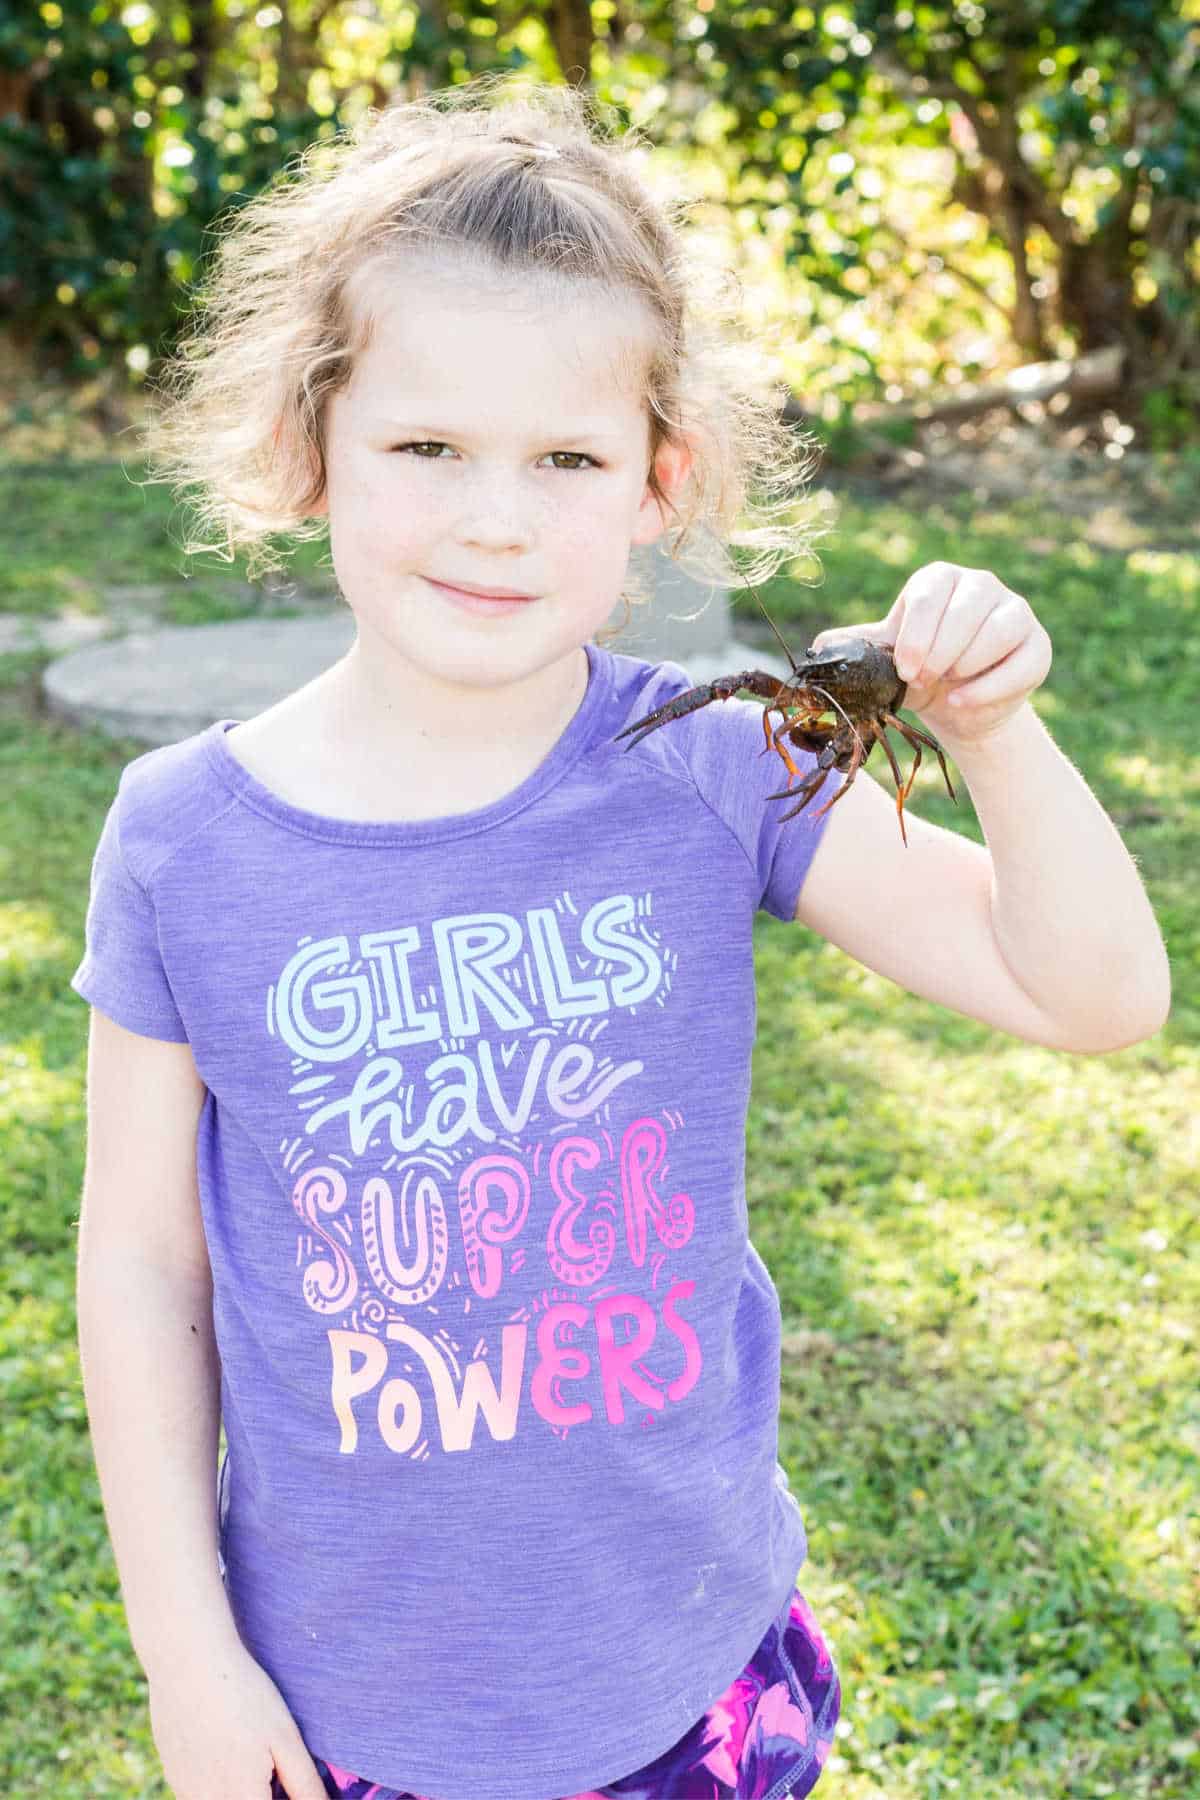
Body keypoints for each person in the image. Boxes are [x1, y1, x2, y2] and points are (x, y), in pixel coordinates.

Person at [71, 73, 1170, 1800]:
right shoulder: (181, 840)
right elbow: (141, 1269)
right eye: (426, 445)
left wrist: (995, 735)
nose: (495, 517)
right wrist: (183, 1656)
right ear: (309, 447)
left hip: (688, 1687)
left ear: (659, 484)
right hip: (345, 1722)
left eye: (565, 458)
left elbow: (1095, 994)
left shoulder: (722, 765)